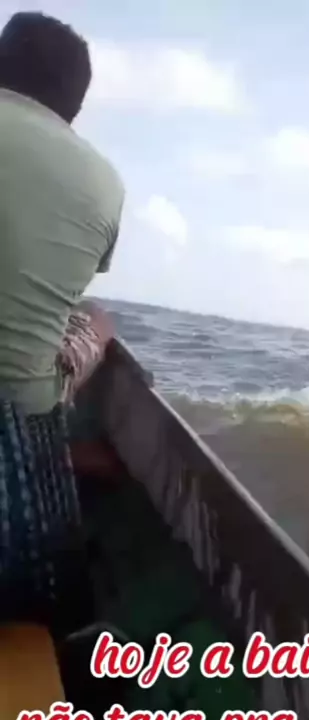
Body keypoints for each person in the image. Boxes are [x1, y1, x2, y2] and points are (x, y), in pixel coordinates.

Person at [0, 12, 125, 619]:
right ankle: (62, 450)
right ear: (74, 106)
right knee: (93, 318)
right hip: (16, 446)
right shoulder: (104, 182)